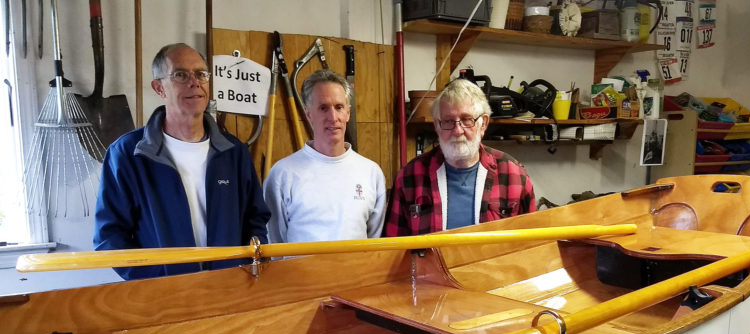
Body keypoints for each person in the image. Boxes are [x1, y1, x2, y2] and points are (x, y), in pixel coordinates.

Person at [94, 43, 269, 280]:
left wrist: (246, 270)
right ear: (159, 88)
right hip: (163, 297)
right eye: (180, 74)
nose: (194, 82)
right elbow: (110, 237)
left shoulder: (233, 152)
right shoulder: (127, 155)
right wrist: (154, 281)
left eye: (200, 74)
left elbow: (255, 219)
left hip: (229, 289)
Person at [384, 78, 535, 237]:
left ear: (483, 124)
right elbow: (393, 250)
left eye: (466, 120)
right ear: (437, 125)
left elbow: (534, 247)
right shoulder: (409, 177)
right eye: (448, 121)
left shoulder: (514, 175)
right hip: (429, 263)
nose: (457, 131)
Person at [263, 69, 386, 243]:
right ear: (308, 114)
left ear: (348, 113)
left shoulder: (371, 173)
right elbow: (275, 243)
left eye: (339, 107)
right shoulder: (283, 174)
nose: (333, 117)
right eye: (323, 108)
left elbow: (373, 239)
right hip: (298, 271)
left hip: (356, 270)